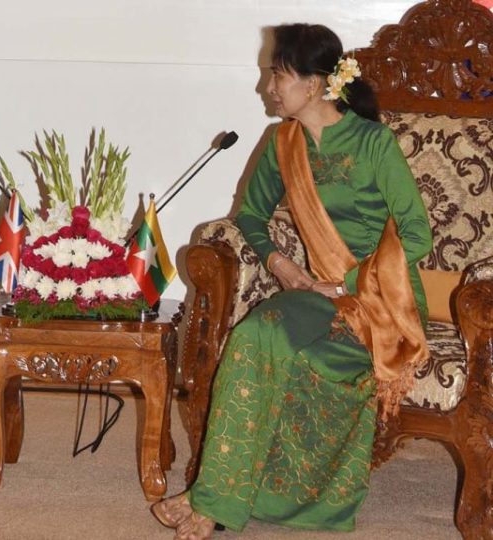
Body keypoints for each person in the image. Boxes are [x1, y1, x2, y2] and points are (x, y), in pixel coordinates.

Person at [150, 24, 431, 538]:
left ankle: (209, 500)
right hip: (318, 293)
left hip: (379, 300)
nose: (269, 88)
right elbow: (251, 219)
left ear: (317, 83)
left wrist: (351, 279)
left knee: (279, 344)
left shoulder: (373, 142)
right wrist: (285, 267)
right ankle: (215, 496)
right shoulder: (284, 143)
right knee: (257, 335)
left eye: (278, 75)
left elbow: (418, 234)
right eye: (270, 75)